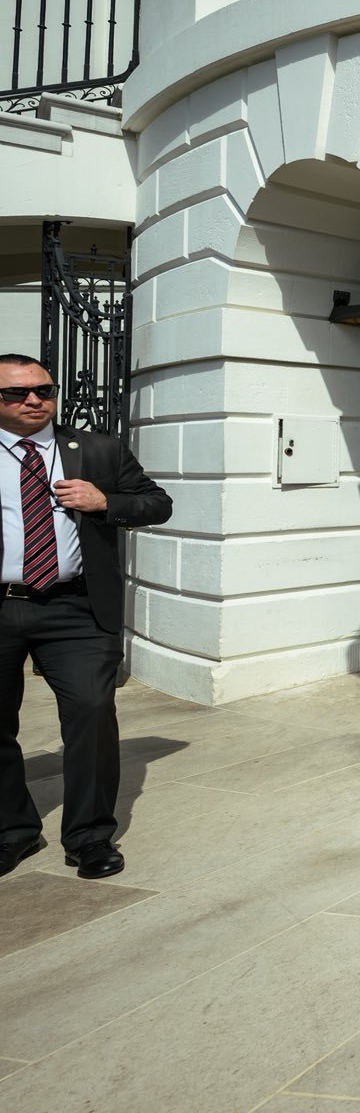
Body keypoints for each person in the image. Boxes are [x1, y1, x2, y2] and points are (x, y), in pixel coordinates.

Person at [0, 354, 173, 880]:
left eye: (44, 390)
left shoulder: (97, 449)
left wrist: (105, 501)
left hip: (76, 605)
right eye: (16, 393)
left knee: (93, 712)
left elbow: (157, 503)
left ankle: (90, 836)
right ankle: (12, 832)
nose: (34, 400)